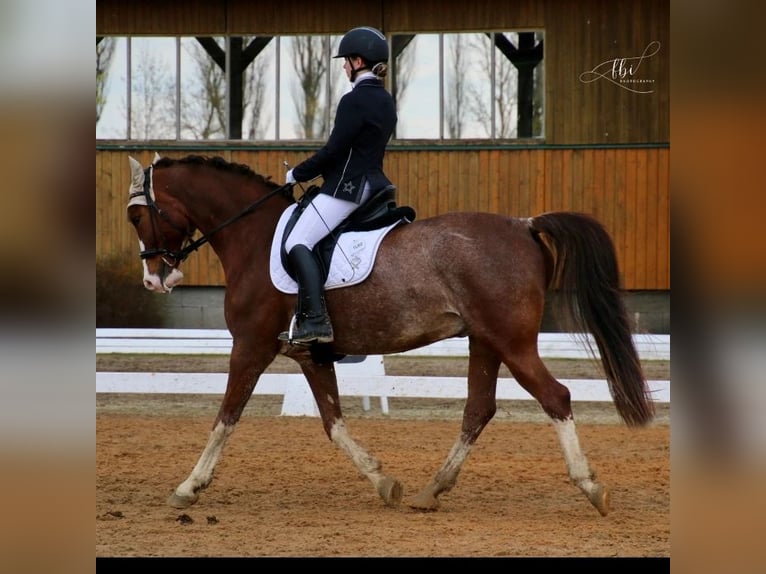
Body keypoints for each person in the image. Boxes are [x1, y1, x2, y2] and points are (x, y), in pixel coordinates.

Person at [280, 26, 397, 345]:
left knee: (297, 242)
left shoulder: (354, 100)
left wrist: (298, 174)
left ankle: (315, 320)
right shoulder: (385, 100)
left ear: (358, 61)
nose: (344, 66)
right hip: (376, 185)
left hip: (349, 189)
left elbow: (335, 151)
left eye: (346, 61)